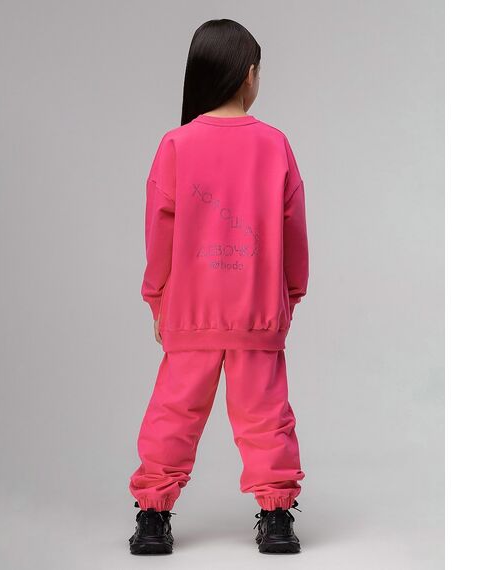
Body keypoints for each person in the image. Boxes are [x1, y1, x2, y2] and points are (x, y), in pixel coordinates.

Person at [128, 18, 309, 555]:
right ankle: (276, 519)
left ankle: (152, 517)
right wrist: (289, 295)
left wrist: (157, 297)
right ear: (249, 74)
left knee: (173, 413)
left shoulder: (176, 145)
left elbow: (159, 230)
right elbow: (294, 229)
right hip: (257, 310)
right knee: (267, 416)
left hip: (190, 310)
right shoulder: (274, 145)